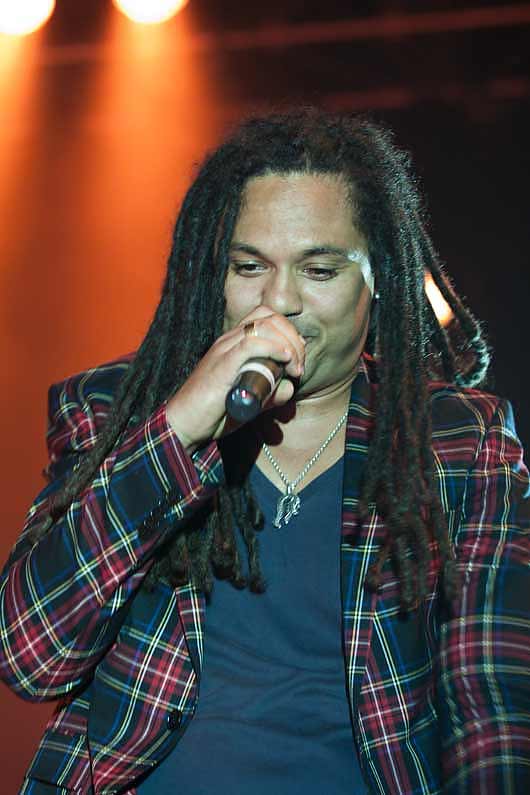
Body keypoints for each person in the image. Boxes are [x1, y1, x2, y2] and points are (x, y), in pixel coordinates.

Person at [0, 108, 528, 795]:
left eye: (319, 269)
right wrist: (179, 430)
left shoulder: (459, 443)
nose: (280, 300)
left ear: (381, 276)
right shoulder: (115, 410)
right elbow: (30, 656)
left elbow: (493, 715)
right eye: (249, 266)